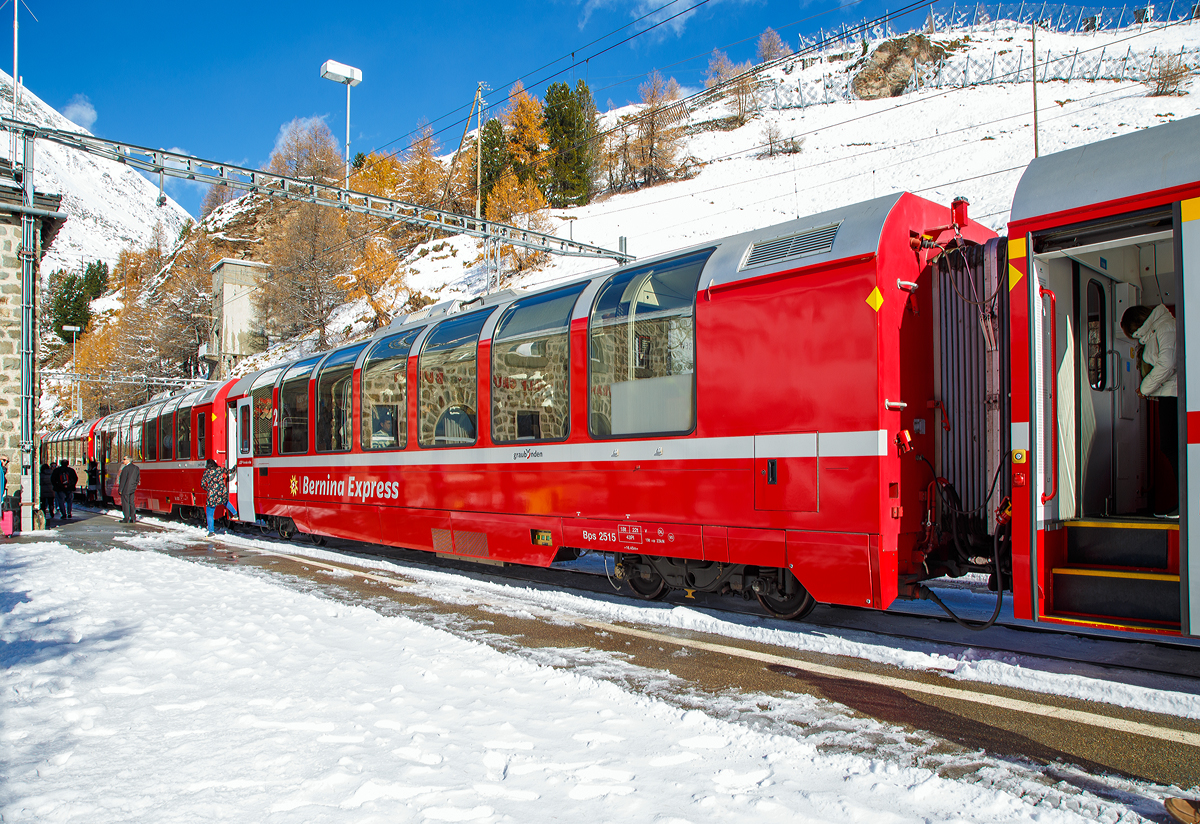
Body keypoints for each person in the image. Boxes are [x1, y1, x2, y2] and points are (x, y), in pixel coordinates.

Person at [1121, 304, 1178, 517]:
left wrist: (1145, 388)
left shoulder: (1165, 327)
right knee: (1172, 447)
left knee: (1172, 447)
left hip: (1174, 396)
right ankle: (1184, 500)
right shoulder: (1162, 327)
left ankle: (1187, 501)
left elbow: (1168, 363)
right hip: (1170, 394)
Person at [201, 458, 238, 536]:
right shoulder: (220, 469)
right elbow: (230, 471)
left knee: (210, 513)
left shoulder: (206, 472)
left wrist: (208, 489)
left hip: (212, 494)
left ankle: (211, 532)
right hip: (221, 492)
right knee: (225, 502)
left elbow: (202, 484)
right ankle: (235, 513)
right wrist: (235, 466)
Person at [118, 455, 140, 523]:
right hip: (132, 488)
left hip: (125, 488)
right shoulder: (136, 468)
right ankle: (133, 517)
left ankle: (126, 518)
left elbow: (123, 480)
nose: (123, 461)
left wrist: (120, 489)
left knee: (125, 503)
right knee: (131, 503)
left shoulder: (125, 468)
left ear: (128, 460)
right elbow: (137, 479)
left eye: (124, 459)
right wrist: (134, 486)